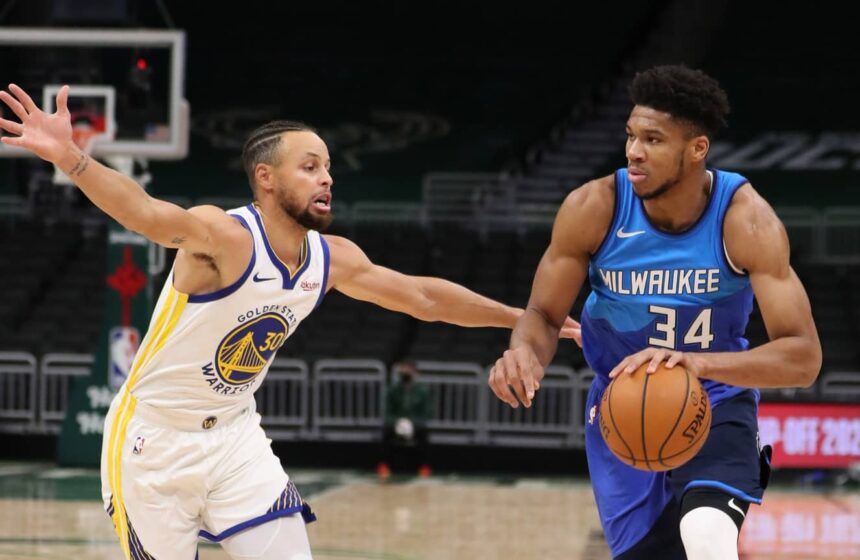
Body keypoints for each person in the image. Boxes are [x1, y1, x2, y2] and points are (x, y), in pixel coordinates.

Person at [0, 84, 579, 560]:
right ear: (266, 178)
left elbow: (422, 297)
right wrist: (72, 157)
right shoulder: (224, 237)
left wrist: (522, 317)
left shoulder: (330, 259)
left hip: (234, 437)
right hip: (152, 440)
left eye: (328, 167)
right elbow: (149, 216)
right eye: (309, 166)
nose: (327, 177)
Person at [488, 65, 821, 560]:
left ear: (697, 149)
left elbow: (803, 358)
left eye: (653, 139)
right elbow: (542, 313)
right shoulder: (593, 207)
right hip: (622, 409)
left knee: (708, 538)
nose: (633, 151)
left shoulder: (745, 220)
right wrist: (523, 352)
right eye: (630, 136)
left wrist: (698, 363)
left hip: (716, 403)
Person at [377, 360, 434, 480]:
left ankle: (425, 466)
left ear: (415, 372)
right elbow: (388, 412)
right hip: (397, 423)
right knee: (386, 432)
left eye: (408, 369)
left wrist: (411, 423)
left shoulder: (423, 391)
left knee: (424, 434)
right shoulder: (393, 390)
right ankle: (384, 465)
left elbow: (427, 413)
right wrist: (398, 422)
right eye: (403, 369)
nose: (405, 372)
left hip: (415, 424)